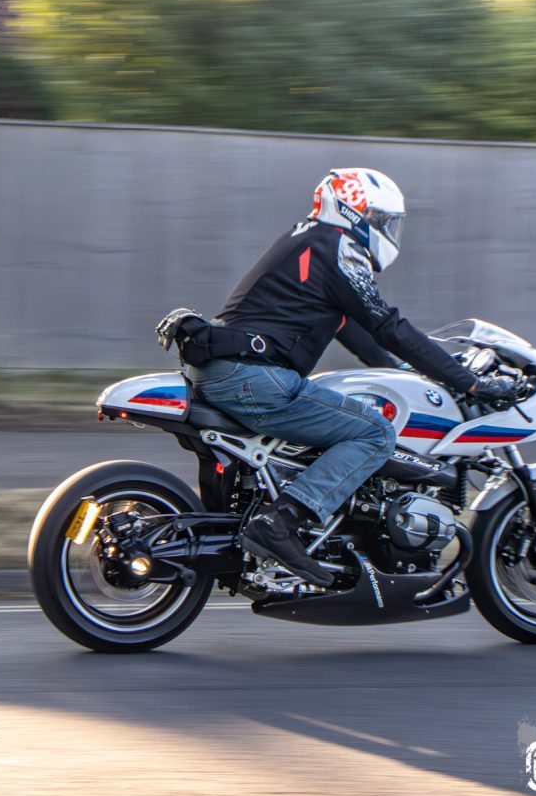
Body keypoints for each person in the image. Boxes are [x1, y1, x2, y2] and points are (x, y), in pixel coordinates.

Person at [185, 168, 516, 586]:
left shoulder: (307, 239)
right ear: (354, 212)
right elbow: (389, 325)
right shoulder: (338, 246)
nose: (384, 229)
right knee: (375, 432)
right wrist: (469, 382)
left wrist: (408, 372)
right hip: (254, 377)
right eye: (380, 220)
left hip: (230, 370)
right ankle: (282, 522)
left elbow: (355, 330)